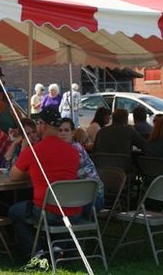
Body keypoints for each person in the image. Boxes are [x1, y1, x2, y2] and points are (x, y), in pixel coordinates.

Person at [8, 107, 81, 256]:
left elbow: (13, 176)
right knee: (46, 210)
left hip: (47, 211)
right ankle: (58, 247)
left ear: (43, 124)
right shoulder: (73, 151)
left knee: (15, 211)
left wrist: (31, 171)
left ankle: (36, 250)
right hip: (74, 211)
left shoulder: (33, 150)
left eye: (38, 123)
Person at [59, 117, 104, 216]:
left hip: (94, 198)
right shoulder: (66, 148)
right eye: (60, 130)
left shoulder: (75, 150)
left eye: (66, 130)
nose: (62, 133)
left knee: (55, 207)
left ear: (73, 133)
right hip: (80, 194)